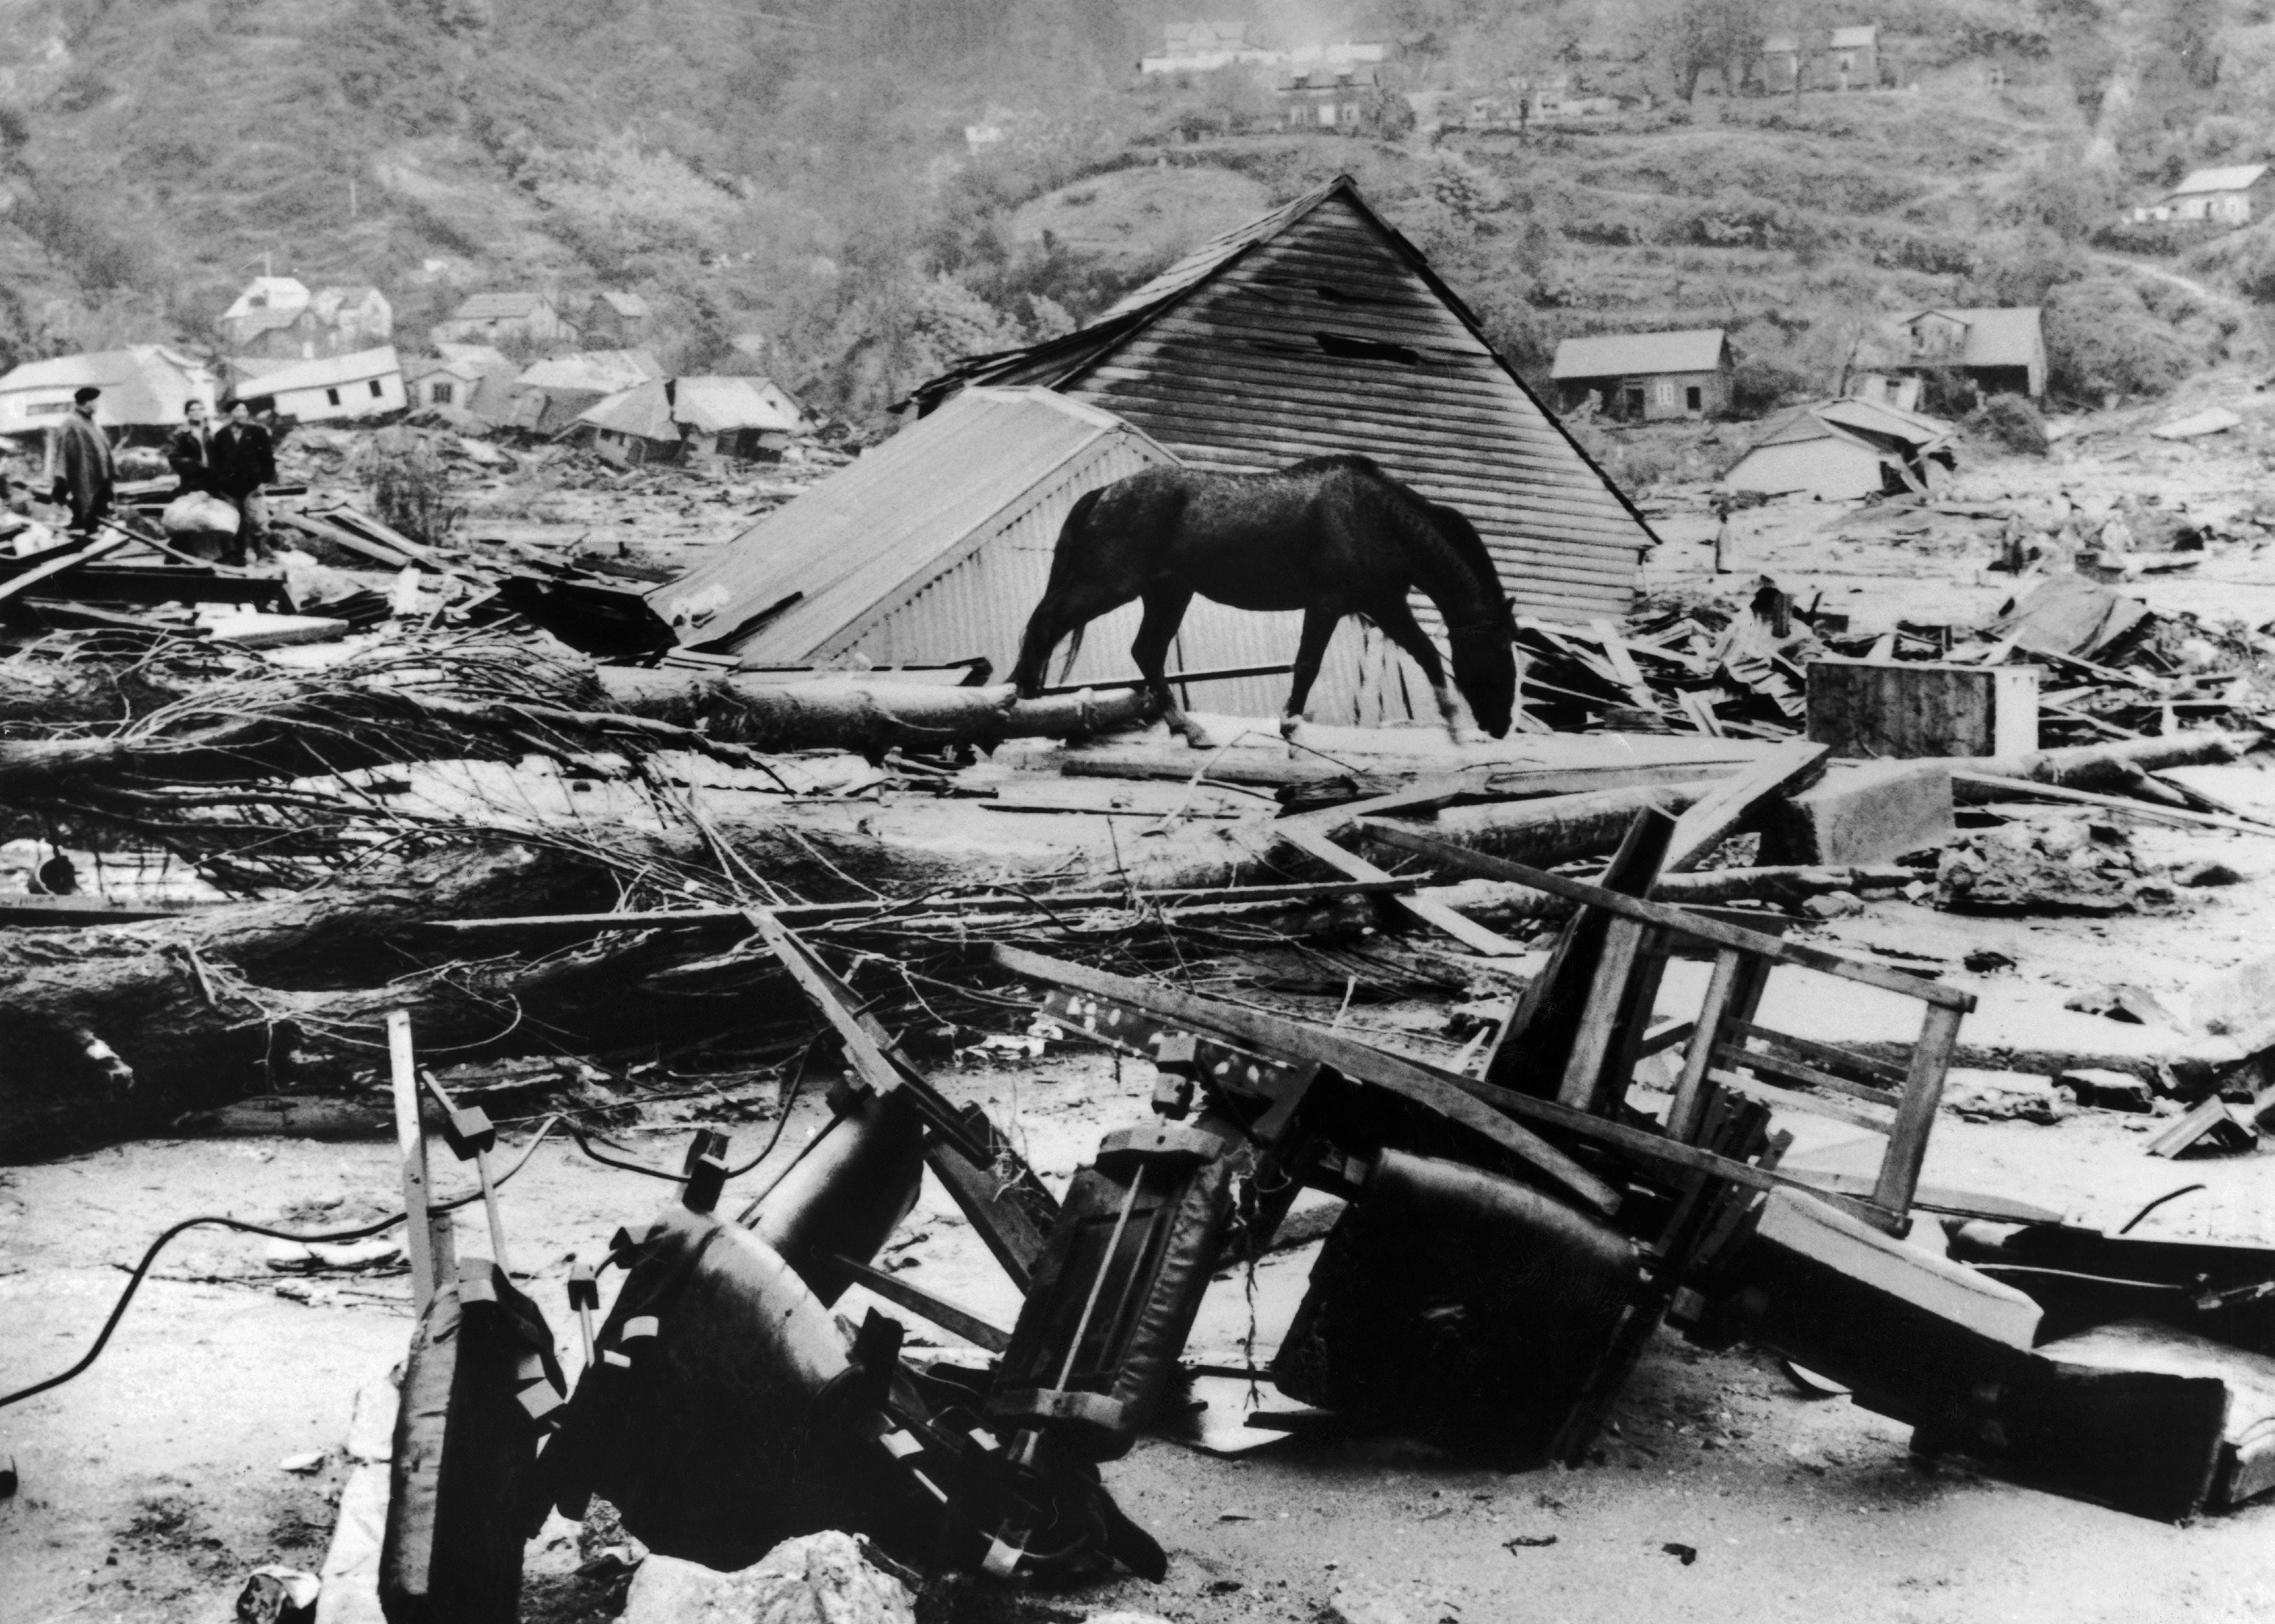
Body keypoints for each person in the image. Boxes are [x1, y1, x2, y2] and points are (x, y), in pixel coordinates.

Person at [208, 398, 277, 565]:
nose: (241, 414)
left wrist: (264, 482)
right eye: (238, 411)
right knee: (234, 523)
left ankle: (261, 555)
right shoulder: (221, 435)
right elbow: (216, 462)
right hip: (230, 487)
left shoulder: (258, 432)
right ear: (230, 414)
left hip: (252, 485)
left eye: (244, 411)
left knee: (258, 522)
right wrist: (220, 484)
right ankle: (240, 557)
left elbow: (268, 459)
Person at [53, 385, 113, 537]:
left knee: (97, 515)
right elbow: (66, 456)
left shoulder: (91, 423)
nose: (98, 405)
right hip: (81, 479)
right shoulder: (72, 424)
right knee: (84, 515)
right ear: (87, 402)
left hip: (99, 480)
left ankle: (91, 536)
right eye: (95, 402)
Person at [165, 398, 213, 497]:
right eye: (193, 410)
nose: (197, 412)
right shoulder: (181, 434)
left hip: (214, 479)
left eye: (200, 409)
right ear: (187, 413)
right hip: (192, 481)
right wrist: (195, 466)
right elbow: (174, 458)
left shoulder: (213, 431)